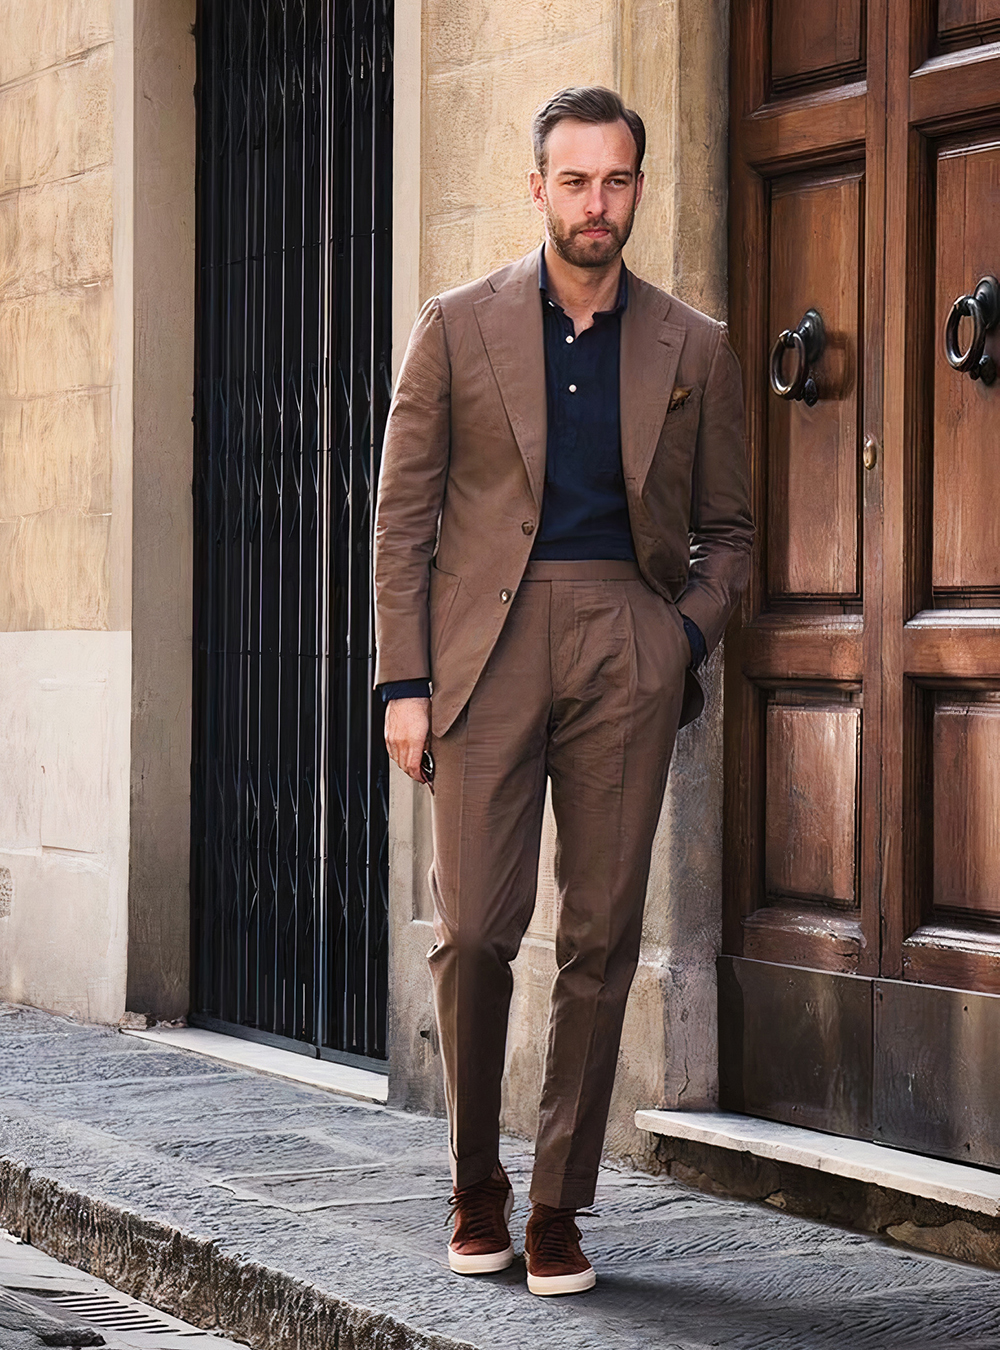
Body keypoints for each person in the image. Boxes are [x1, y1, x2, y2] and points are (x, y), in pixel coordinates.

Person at [373, 85, 752, 1297]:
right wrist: (403, 682)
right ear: (537, 187)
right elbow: (402, 520)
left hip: (624, 649)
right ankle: (472, 1177)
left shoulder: (693, 343)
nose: (598, 203)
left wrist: (677, 642)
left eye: (618, 180)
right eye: (575, 180)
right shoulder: (457, 323)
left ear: (639, 186)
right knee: (477, 931)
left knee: (598, 938)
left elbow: (730, 533)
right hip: (482, 654)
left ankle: (552, 1205)